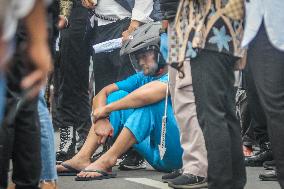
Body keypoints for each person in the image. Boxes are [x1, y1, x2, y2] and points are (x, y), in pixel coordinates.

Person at [56, 22, 184, 180]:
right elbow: (103, 93)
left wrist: (107, 109)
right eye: (138, 58)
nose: (141, 61)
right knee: (116, 95)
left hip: (178, 155)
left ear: (161, 53)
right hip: (156, 156)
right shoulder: (143, 77)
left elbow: (150, 94)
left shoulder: (177, 72)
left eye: (145, 55)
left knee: (150, 104)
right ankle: (82, 157)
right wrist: (103, 117)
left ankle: (109, 158)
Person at [168, 0, 247, 189]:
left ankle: (221, 183)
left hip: (208, 30)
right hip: (223, 32)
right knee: (225, 113)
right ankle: (233, 182)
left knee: (212, 115)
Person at [0, 0, 53, 189]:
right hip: (16, 30)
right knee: (25, 105)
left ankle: (46, 178)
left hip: (14, 32)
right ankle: (44, 179)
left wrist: (38, 43)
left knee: (26, 104)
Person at [158, 1, 208, 188]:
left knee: (186, 94)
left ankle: (198, 167)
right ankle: (192, 162)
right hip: (177, 18)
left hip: (189, 16)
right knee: (178, 96)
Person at [241, 0, 284, 185]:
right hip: (258, 24)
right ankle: (272, 152)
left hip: (271, 21)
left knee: (276, 106)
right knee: (266, 103)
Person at [55, 0, 92, 163]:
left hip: (74, 15)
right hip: (58, 14)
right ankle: (81, 138)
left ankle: (74, 140)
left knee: (72, 83)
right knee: (66, 83)